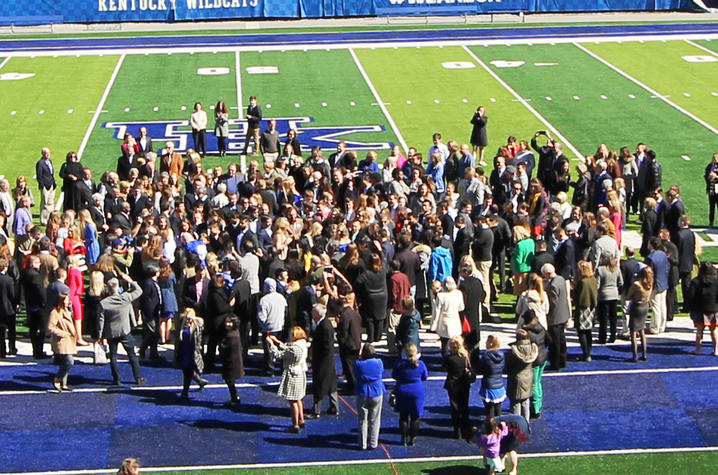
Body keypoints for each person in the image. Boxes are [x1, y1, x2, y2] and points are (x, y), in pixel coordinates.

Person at [98, 275, 146, 386]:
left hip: (111, 333)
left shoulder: (103, 303)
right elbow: (139, 291)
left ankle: (117, 379)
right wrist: (130, 281)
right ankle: (138, 378)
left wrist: (100, 336)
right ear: (118, 287)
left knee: (113, 356)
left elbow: (101, 321)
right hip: (125, 331)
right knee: (132, 355)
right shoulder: (125, 298)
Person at [267, 327, 308, 433]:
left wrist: (271, 344)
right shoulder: (302, 344)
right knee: (299, 398)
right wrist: (277, 342)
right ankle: (301, 420)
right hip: (300, 372)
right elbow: (287, 348)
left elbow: (278, 355)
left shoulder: (294, 349)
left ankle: (295, 425)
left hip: (293, 374)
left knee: (293, 400)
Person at [392, 343, 428, 446]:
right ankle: (413, 439)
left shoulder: (399, 364)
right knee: (415, 416)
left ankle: (403, 439)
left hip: (402, 391)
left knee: (403, 416)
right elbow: (425, 376)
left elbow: (394, 375)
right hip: (417, 391)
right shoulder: (421, 364)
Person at [354, 343, 387, 450]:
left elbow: (355, 373)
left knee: (362, 420)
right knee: (375, 419)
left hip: (362, 393)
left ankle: (362, 444)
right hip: (376, 392)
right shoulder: (379, 362)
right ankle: (373, 443)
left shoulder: (358, 364)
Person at [311, 304, 339, 417]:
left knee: (319, 385)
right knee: (331, 384)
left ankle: (316, 410)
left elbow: (326, 346)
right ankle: (334, 407)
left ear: (318, 314)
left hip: (323, 362)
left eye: (313, 312)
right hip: (327, 361)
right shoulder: (325, 324)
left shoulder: (324, 326)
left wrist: (318, 359)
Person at [174, 308, 208, 400]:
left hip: (193, 352)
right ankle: (199, 381)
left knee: (187, 371)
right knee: (186, 370)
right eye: (187, 318)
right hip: (183, 351)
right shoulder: (181, 325)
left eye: (190, 318)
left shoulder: (197, 326)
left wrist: (192, 317)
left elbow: (201, 321)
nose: (188, 320)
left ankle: (185, 392)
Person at [444, 335, 473, 440]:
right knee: (464, 408)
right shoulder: (466, 356)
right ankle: (466, 431)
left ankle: (457, 432)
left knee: (455, 408)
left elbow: (446, 368)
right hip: (464, 384)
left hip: (453, 384)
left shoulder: (449, 358)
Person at [542, 263, 570, 371]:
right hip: (563, 314)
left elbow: (553, 303)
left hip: (555, 317)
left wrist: (547, 315)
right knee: (562, 340)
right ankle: (563, 361)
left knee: (555, 342)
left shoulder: (553, 285)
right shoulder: (561, 279)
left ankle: (556, 363)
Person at [505, 329, 538, 421]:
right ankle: (526, 425)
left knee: (515, 403)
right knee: (526, 402)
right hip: (529, 376)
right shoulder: (533, 349)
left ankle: (517, 428)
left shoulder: (513, 351)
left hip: (516, 378)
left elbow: (507, 366)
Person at [355, 253, 388, 343]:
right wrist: (380, 251)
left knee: (370, 318)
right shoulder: (383, 271)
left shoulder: (366, 274)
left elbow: (357, 282)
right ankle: (378, 336)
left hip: (370, 297)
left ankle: (371, 337)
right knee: (380, 317)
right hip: (382, 297)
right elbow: (385, 261)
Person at [257, 277, 287, 375]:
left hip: (268, 329)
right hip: (280, 327)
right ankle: (282, 368)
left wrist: (262, 326)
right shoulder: (281, 297)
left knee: (269, 351)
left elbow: (262, 317)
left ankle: (270, 370)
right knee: (281, 348)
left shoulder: (264, 300)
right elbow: (286, 312)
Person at [687, 262, 718, 356]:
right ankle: (716, 350)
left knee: (699, 330)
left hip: (699, 309)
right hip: (714, 309)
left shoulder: (695, 281)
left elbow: (690, 296)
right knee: (714, 330)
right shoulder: (717, 281)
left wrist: (691, 308)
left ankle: (698, 349)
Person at [472, 334, 506, 419]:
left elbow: (478, 370)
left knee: (489, 411)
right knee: (498, 410)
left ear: (490, 344)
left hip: (488, 386)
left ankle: (491, 429)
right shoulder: (502, 355)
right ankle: (501, 428)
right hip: (499, 385)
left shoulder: (486, 356)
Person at [48, 292, 76, 391]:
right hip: (62, 340)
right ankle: (57, 378)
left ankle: (63, 384)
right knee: (69, 362)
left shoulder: (66, 311)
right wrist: (63, 333)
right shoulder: (55, 312)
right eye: (66, 300)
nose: (68, 302)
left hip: (68, 340)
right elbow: (51, 327)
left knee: (65, 362)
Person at [430, 276, 465, 355]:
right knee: (456, 343)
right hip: (455, 321)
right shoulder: (458, 294)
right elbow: (461, 307)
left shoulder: (441, 296)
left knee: (445, 344)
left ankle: (446, 363)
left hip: (444, 322)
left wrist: (433, 325)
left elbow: (436, 311)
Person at [522, 314, 548, 419]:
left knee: (534, 384)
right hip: (543, 357)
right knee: (538, 383)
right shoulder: (541, 327)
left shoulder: (528, 333)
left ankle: (536, 409)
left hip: (535, 361)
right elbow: (549, 341)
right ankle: (539, 405)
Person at [626, 266, 653, 362]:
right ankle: (644, 353)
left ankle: (634, 356)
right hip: (645, 306)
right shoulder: (650, 283)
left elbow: (628, 296)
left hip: (636, 306)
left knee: (633, 331)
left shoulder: (636, 284)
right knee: (641, 330)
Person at [337, 292, 362, 393]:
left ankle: (352, 387)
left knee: (348, 367)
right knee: (354, 366)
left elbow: (343, 330)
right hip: (356, 342)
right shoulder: (355, 313)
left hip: (348, 344)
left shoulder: (344, 315)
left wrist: (341, 340)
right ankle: (355, 385)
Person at [574, 260, 598, 361]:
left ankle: (586, 353)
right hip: (592, 307)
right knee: (588, 331)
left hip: (583, 307)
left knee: (582, 331)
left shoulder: (582, 282)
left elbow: (577, 296)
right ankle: (589, 351)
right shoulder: (593, 279)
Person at [596, 256, 623, 345]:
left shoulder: (600, 270)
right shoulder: (617, 270)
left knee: (603, 318)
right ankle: (612, 336)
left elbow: (598, 284)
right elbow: (621, 282)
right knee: (613, 317)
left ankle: (602, 338)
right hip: (614, 295)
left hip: (603, 295)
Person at [220, 316, 244, 408]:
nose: (228, 324)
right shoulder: (235, 332)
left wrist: (221, 345)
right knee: (230, 381)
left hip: (231, 362)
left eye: (230, 322)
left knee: (230, 380)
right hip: (232, 361)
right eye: (227, 322)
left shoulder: (231, 335)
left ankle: (235, 398)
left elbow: (224, 346)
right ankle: (234, 397)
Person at [67, 254, 90, 346]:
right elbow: (80, 285)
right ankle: (79, 337)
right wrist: (80, 292)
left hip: (69, 293)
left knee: (72, 316)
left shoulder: (69, 270)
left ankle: (74, 336)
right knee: (78, 317)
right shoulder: (76, 271)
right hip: (75, 295)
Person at [0, 256, 17, 358]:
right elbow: (12, 295)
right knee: (11, 331)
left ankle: (2, 350)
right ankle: (12, 348)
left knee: (1, 332)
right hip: (9, 309)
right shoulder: (9, 280)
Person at [36, 147, 56, 226]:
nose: (47, 155)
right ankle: (43, 219)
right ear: (42, 154)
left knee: (51, 202)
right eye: (45, 153)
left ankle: (50, 218)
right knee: (45, 203)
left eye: (48, 153)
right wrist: (42, 185)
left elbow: (51, 173)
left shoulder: (49, 161)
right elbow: (39, 175)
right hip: (45, 185)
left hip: (51, 184)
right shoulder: (40, 163)